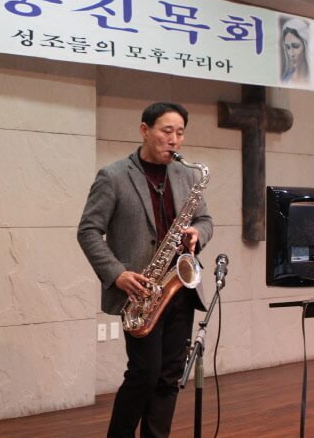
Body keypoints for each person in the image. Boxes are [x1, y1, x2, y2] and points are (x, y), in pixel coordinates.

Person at [77, 102, 214, 438]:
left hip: (179, 289)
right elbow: (88, 231)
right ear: (144, 130)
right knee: (144, 374)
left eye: (180, 132)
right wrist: (117, 273)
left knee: (168, 377)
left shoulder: (188, 175)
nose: (174, 139)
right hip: (140, 291)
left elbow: (205, 221)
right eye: (167, 131)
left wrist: (198, 233)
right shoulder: (113, 176)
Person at [280, 18, 310, 83]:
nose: (291, 54)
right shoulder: (284, 81)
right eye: (288, 47)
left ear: (305, 46)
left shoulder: (313, 79)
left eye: (296, 46)